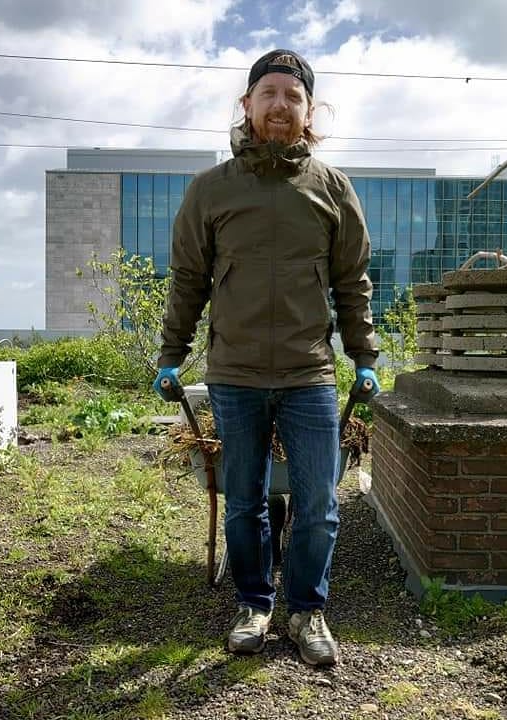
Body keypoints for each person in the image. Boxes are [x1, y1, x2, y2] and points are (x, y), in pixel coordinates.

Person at [153, 48, 379, 666]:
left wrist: (364, 356)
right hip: (235, 374)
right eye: (269, 94)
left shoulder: (332, 188)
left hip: (309, 375)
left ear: (309, 112)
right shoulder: (210, 191)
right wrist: (171, 355)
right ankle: (255, 603)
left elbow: (352, 283)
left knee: (320, 504)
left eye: (293, 96)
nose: (280, 105)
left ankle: (307, 611)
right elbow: (188, 281)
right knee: (246, 501)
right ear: (248, 104)